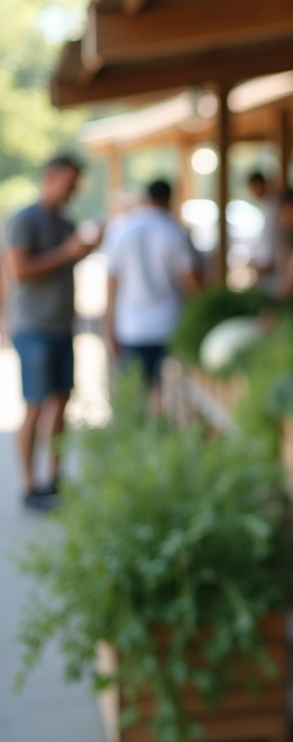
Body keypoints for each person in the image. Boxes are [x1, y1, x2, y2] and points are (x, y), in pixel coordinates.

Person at [2, 155, 94, 510]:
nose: (74, 189)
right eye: (70, 181)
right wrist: (67, 251)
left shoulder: (65, 221)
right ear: (51, 177)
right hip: (33, 327)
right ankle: (29, 486)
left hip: (61, 325)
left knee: (61, 403)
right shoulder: (24, 220)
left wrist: (81, 252)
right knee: (35, 405)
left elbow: (63, 261)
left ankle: (53, 479)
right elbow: (20, 270)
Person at [101, 179, 200, 412]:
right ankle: (160, 434)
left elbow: (112, 282)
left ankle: (140, 436)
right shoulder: (174, 231)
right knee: (166, 392)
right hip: (170, 324)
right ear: (169, 199)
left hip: (131, 326)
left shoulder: (121, 229)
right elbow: (191, 282)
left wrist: (108, 325)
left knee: (136, 390)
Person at [246, 171, 283, 291]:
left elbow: (275, 239)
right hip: (268, 267)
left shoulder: (273, 207)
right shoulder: (264, 207)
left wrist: (269, 264)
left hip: (274, 267)